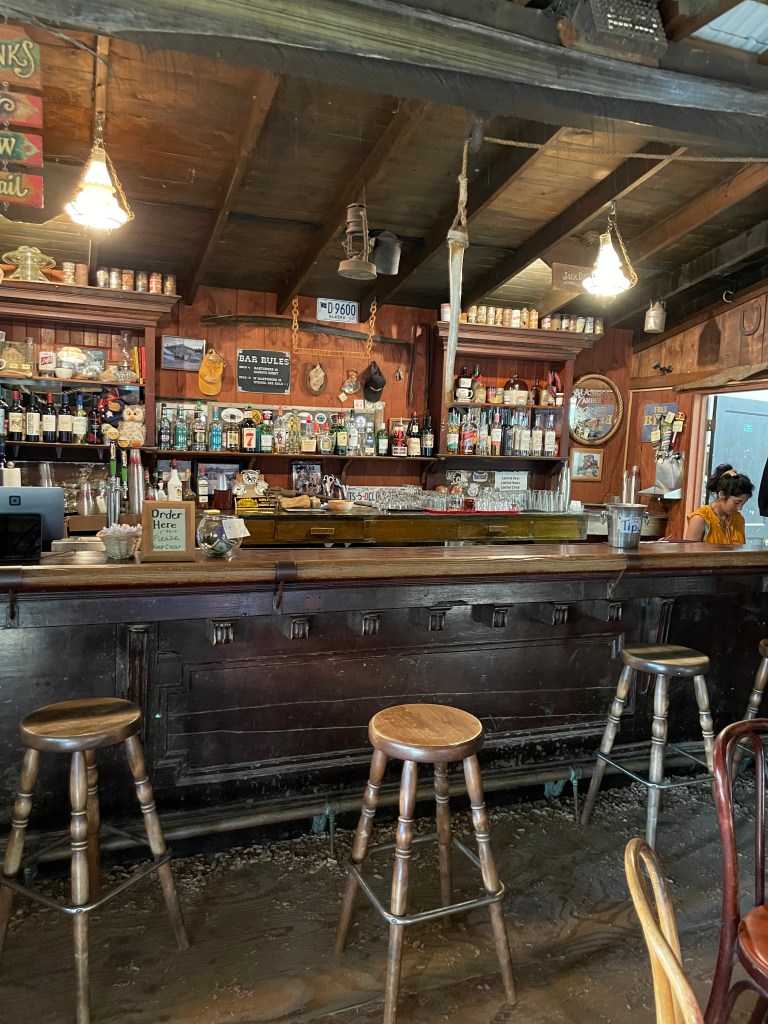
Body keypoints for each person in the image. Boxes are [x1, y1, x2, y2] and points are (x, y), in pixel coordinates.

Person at [684, 463, 754, 544]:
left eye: (743, 503)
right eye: (737, 502)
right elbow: (691, 554)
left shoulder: (739, 519)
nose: (740, 508)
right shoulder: (699, 519)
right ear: (722, 494)